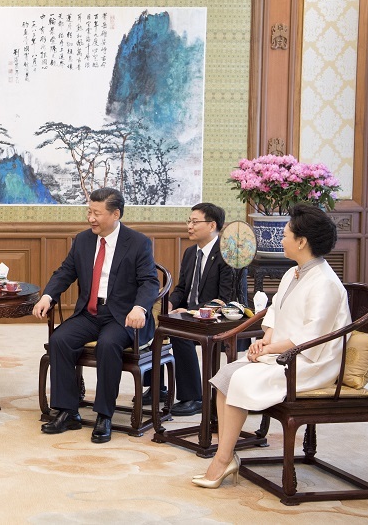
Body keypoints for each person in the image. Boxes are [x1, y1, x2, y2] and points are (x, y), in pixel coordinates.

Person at [193, 204, 351, 488]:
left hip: (311, 362)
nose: (282, 239)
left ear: (302, 242)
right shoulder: (294, 273)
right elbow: (276, 313)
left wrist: (269, 349)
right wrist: (266, 340)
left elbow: (312, 337)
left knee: (240, 379)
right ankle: (226, 455)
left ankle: (222, 459)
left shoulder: (326, 282)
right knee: (225, 376)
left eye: (286, 235)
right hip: (285, 353)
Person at [33, 187, 160, 443]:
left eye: (97, 213)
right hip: (90, 313)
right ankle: (68, 411)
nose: (90, 218)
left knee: (108, 344)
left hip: (122, 316)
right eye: (89, 212)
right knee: (60, 340)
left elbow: (149, 281)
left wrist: (140, 308)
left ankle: (104, 414)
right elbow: (65, 272)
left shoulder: (138, 242)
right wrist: (48, 296)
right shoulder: (83, 240)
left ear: (115, 214)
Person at [161, 202, 235, 416]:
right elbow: (181, 288)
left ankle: (193, 397)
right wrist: (169, 304)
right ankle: (156, 388)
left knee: (180, 332)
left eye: (195, 222)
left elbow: (224, 299)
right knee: (153, 321)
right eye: (189, 221)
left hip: (214, 316)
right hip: (188, 312)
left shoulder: (227, 254)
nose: (189, 226)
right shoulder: (190, 252)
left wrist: (188, 312)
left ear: (212, 225)